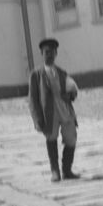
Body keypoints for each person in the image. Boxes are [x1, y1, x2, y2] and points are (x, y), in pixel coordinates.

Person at [28, 38, 79, 183]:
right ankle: (55, 171)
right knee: (51, 138)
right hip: (49, 112)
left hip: (64, 109)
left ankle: (67, 169)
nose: (49, 55)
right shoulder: (36, 74)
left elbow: (72, 90)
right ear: (42, 54)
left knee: (71, 138)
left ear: (56, 54)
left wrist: (71, 94)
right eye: (46, 52)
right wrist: (37, 119)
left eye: (52, 52)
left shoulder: (62, 73)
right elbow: (32, 100)